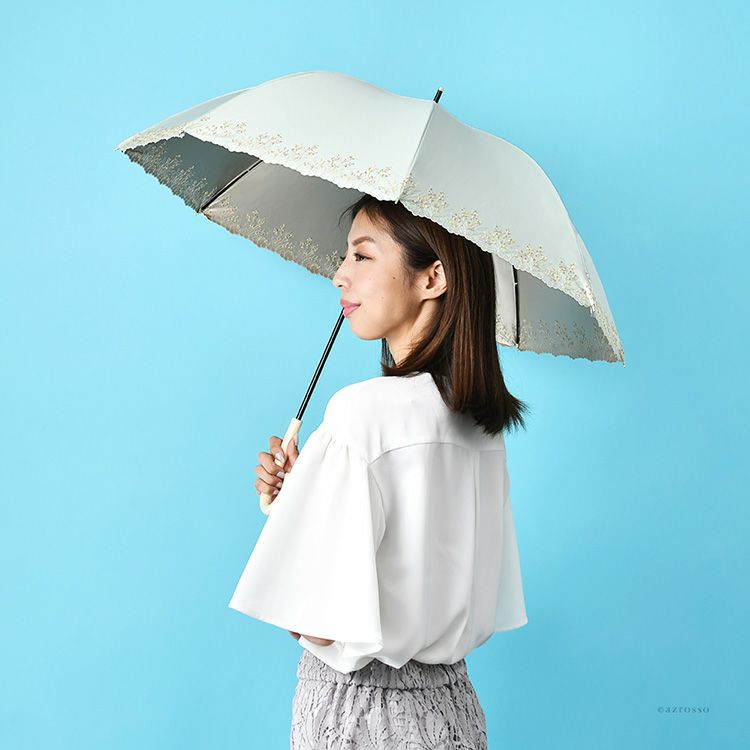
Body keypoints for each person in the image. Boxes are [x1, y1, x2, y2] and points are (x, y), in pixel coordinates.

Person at [228, 195, 531, 749]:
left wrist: (295, 516)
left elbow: (315, 622)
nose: (340, 274)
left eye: (362, 256)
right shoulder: (482, 428)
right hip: (454, 711)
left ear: (433, 277)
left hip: (361, 718)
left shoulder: (360, 414)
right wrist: (308, 494)